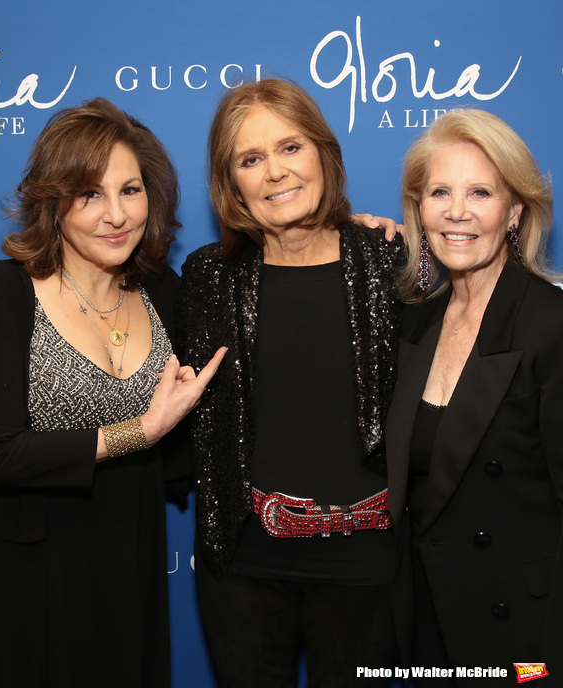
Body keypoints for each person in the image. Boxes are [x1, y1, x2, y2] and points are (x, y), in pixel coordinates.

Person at [0, 98, 225, 688]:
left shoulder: (164, 292)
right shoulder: (0, 292)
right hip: (21, 574)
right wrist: (140, 431)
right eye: (89, 194)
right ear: (53, 205)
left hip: (126, 559)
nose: (116, 214)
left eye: (130, 190)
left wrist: (349, 237)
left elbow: (256, 308)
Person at [177, 78, 405, 687]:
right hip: (245, 569)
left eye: (291, 148)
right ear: (231, 185)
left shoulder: (390, 260)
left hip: (370, 567)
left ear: (323, 154)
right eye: (250, 159)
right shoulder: (208, 276)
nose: (275, 172)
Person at [385, 109, 563, 685]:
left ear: (514, 211)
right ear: (419, 209)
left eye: (480, 192)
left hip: (524, 631)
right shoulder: (415, 323)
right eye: (440, 191)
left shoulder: (550, 325)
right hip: (424, 623)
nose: (456, 211)